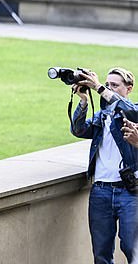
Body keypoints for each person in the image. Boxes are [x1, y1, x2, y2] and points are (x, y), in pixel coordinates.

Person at [71, 67, 137, 264]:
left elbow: (129, 111)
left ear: (129, 89)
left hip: (130, 192)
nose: (109, 89)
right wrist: (83, 101)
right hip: (100, 192)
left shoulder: (133, 111)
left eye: (115, 85)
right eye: (108, 85)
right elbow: (79, 129)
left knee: (132, 249)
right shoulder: (102, 116)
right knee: (101, 253)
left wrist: (99, 87)